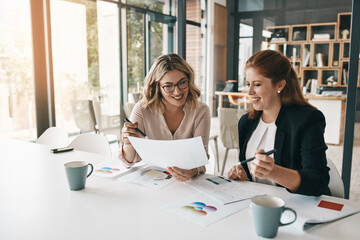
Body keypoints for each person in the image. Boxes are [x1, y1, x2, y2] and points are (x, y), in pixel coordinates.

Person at [228, 50, 330, 196]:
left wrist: (274, 172)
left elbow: (318, 182)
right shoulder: (246, 122)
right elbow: (254, 176)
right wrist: (245, 177)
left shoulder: (308, 120)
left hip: (299, 206)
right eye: (248, 84)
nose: (249, 92)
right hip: (261, 203)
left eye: (257, 84)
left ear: (279, 85)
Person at [119, 53, 210, 182]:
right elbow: (128, 162)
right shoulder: (142, 109)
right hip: (154, 181)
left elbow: (201, 158)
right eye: (168, 86)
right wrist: (128, 142)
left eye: (182, 82)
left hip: (187, 185)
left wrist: (192, 170)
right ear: (157, 87)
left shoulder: (201, 111)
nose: (177, 92)